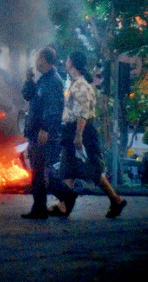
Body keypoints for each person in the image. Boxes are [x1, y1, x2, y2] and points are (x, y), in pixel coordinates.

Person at [51, 50, 126, 219]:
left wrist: (78, 135)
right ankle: (64, 205)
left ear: (73, 63)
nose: (65, 61)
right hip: (71, 130)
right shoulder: (74, 83)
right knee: (67, 169)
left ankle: (115, 199)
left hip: (82, 131)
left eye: (68, 59)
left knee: (91, 169)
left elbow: (83, 113)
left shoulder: (82, 85)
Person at [21, 46, 77, 220]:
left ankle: (51, 203)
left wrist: (45, 128)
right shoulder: (43, 80)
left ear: (44, 60)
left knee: (40, 172)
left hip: (44, 133)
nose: (36, 62)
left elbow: (53, 109)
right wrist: (29, 79)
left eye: (38, 58)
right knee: (39, 171)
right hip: (35, 132)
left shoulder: (53, 81)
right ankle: (45, 205)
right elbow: (28, 96)